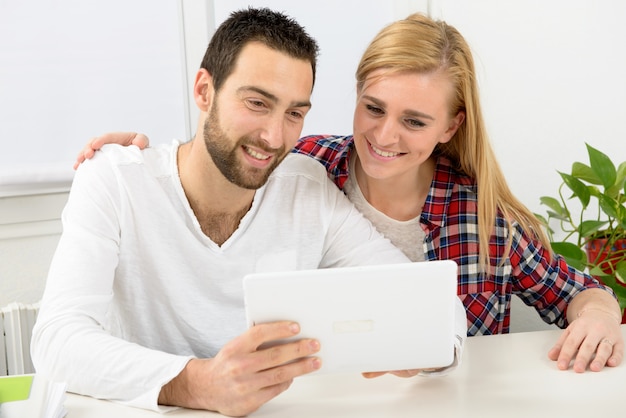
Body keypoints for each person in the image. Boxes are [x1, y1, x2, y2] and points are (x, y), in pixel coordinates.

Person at [82, 12, 624, 374]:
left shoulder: (487, 221)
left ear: (450, 128)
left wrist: (599, 315)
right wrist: (137, 156)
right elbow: (235, 147)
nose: (384, 137)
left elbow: (576, 291)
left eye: (414, 121)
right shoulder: (310, 164)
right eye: (374, 108)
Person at [32, 9, 471, 417]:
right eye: (257, 103)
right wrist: (197, 383)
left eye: (295, 112)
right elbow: (57, 341)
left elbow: (434, 304)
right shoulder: (115, 180)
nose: (274, 136)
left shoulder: (307, 185)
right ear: (205, 90)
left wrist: (427, 352)